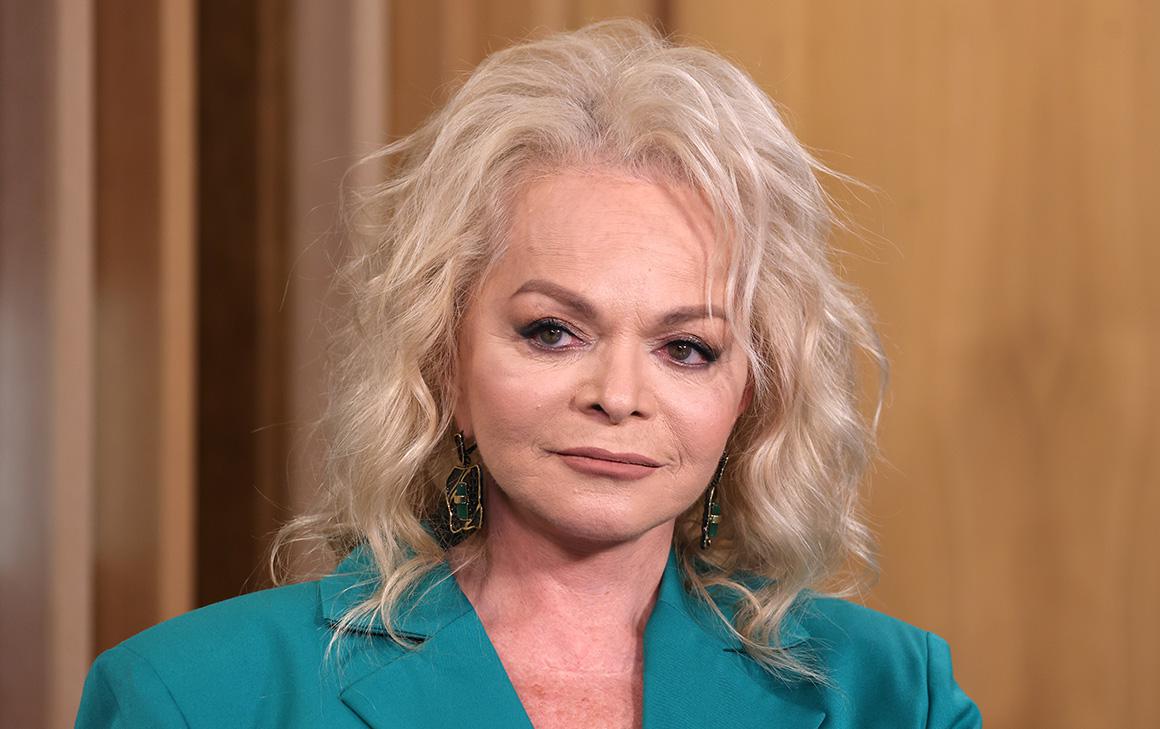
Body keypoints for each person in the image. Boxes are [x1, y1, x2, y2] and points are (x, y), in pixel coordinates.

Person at [76, 19, 981, 729]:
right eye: (553, 331)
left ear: (750, 393)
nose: (618, 396)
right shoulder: (190, 695)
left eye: (687, 348)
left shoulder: (896, 693)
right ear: (445, 359)